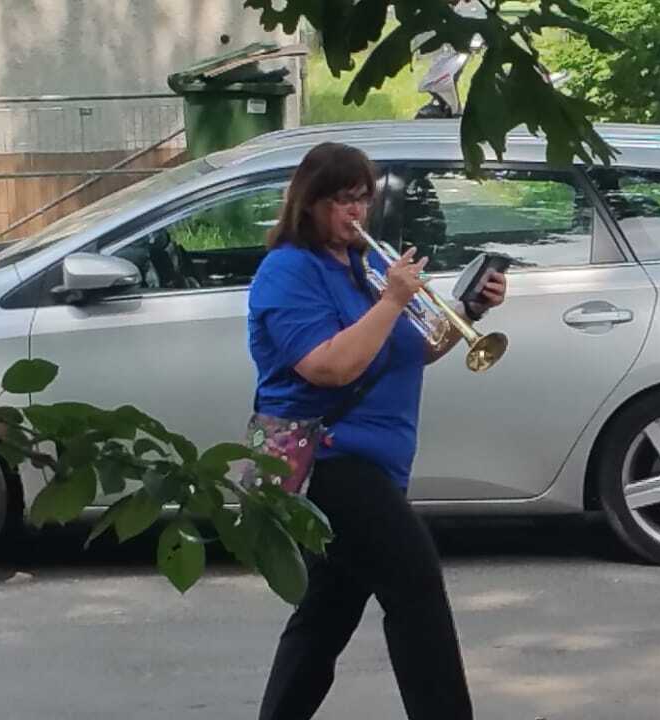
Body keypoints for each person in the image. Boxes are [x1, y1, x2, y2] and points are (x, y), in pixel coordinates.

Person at [248, 141, 506, 720]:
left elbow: (413, 350)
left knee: (327, 614)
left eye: (363, 198)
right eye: (342, 200)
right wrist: (392, 299)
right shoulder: (288, 271)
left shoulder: (360, 267)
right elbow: (329, 366)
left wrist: (471, 311)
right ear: (310, 202)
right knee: (417, 588)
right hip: (330, 458)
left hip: (379, 462)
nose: (356, 212)